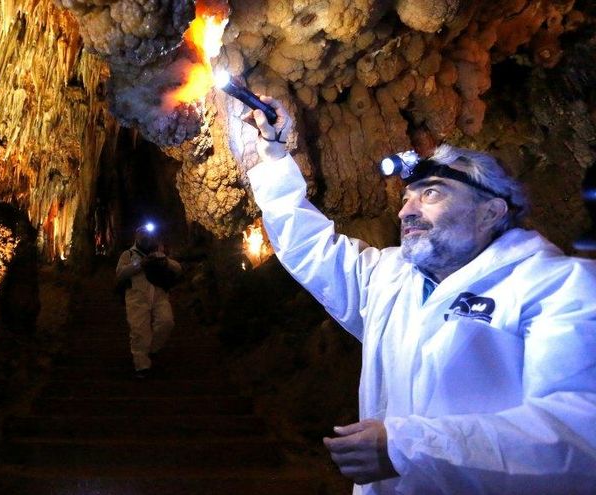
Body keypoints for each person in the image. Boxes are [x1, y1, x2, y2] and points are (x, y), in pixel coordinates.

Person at [240, 97, 596, 494]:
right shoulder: (389, 279)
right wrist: (274, 158)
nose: (405, 211)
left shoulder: (559, 287)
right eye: (406, 198)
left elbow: (578, 437)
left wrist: (405, 448)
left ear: (491, 212)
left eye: (431, 194)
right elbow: (309, 247)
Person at [116, 224, 182, 378]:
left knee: (167, 322)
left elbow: (178, 269)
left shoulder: (159, 253)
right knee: (139, 331)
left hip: (159, 294)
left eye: (148, 235)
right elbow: (120, 274)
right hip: (136, 296)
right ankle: (142, 365)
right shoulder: (128, 254)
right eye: (143, 235)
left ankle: (152, 349)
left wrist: (165, 261)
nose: (146, 238)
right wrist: (139, 264)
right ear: (137, 237)